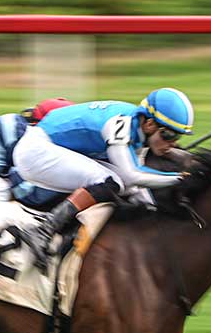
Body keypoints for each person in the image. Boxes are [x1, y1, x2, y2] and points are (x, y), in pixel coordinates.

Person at [12, 88, 196, 268]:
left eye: (177, 137)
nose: (172, 144)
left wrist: (155, 214)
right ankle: (43, 230)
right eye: (169, 135)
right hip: (36, 151)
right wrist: (179, 178)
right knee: (109, 182)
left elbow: (135, 187)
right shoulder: (121, 125)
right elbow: (133, 176)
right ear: (149, 124)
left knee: (119, 184)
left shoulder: (135, 130)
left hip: (47, 147)